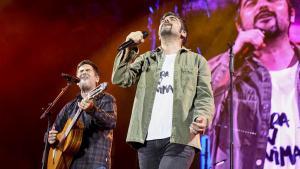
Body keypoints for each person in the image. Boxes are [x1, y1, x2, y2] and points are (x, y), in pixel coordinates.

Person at [111, 12, 214, 169]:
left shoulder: (196, 61)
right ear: (158, 35)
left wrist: (202, 116)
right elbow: (120, 78)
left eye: (172, 19)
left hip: (181, 138)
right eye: (163, 20)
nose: (166, 20)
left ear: (183, 33)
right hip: (146, 140)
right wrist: (129, 45)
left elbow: (205, 96)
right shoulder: (146, 59)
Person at [208, 0, 299, 168]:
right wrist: (232, 56)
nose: (263, 5)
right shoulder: (227, 72)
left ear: (292, 13)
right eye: (251, 3)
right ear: (239, 25)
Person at [48, 60, 117, 169]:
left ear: (97, 78)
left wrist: (92, 110)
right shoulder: (69, 107)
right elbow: (53, 129)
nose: (83, 72)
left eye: (87, 70)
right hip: (70, 164)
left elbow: (111, 122)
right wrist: (51, 138)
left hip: (95, 162)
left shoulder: (106, 99)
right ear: (77, 81)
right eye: (81, 71)